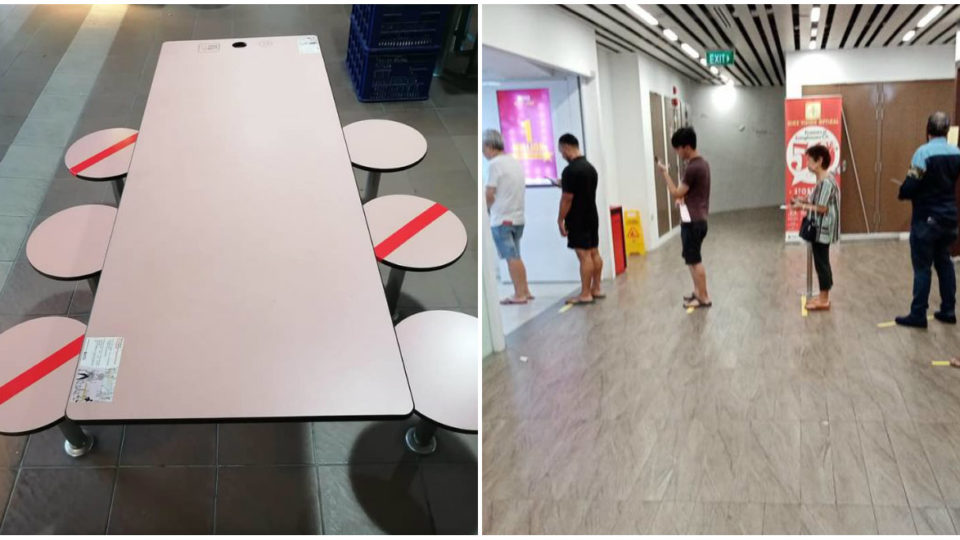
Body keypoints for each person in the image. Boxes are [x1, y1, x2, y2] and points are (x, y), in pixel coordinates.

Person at [895, 111, 960, 329]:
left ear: (928, 130)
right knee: (945, 262)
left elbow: (912, 184)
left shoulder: (923, 153)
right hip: (949, 218)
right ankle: (949, 310)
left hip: (926, 220)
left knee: (922, 267)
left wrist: (903, 191)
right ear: (947, 130)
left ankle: (918, 314)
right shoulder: (956, 152)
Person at [658, 126, 712, 309]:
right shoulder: (702, 164)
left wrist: (664, 172)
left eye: (678, 149)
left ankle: (704, 297)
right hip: (696, 218)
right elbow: (692, 193)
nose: (677, 153)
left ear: (686, 147)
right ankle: (697, 293)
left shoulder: (694, 167)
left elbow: (675, 192)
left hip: (693, 222)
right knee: (691, 259)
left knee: (695, 261)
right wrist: (684, 199)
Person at [483, 129, 533, 305]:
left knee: (512, 258)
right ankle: (525, 290)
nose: (483, 153)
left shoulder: (494, 165)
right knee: (517, 255)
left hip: (502, 218)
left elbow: (490, 192)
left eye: (483, 149)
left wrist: (486, 210)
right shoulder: (513, 161)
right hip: (518, 218)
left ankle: (519, 294)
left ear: (489, 146)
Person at [790, 144, 840, 311]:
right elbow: (815, 200)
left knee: (822, 262)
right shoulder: (822, 180)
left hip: (823, 229)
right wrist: (802, 201)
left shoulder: (826, 182)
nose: (807, 164)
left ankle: (824, 299)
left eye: (809, 160)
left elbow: (822, 208)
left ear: (819, 161)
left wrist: (802, 207)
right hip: (819, 228)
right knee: (821, 261)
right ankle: (823, 295)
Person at [557, 133, 604, 304]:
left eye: (562, 151)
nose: (562, 155)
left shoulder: (570, 171)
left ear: (567, 147)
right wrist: (563, 184)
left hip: (578, 218)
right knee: (594, 252)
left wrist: (560, 219)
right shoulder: (590, 168)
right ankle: (596, 288)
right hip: (592, 215)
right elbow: (582, 190)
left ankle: (585, 293)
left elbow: (567, 199)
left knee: (584, 256)